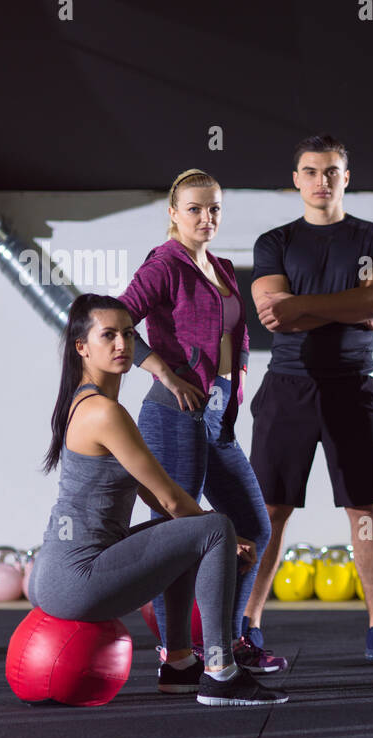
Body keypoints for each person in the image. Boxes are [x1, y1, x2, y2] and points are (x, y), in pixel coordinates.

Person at [26, 294, 287, 707]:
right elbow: (168, 494)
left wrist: (197, 528)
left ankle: (179, 664)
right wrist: (226, 538)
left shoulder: (86, 402)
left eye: (129, 334)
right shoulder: (105, 413)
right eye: (108, 335)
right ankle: (220, 672)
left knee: (185, 529)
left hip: (54, 573)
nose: (122, 345)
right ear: (82, 347)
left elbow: (158, 495)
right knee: (216, 526)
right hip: (76, 579)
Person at [243, 134, 373, 664]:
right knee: (268, 510)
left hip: (355, 385)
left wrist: (303, 308)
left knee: (366, 508)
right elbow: (272, 312)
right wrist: (347, 307)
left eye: (332, 171)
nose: (322, 181)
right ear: (296, 179)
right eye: (311, 171)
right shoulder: (274, 242)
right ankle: (245, 623)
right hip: (288, 385)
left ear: (346, 177)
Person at [119, 169, 284, 676]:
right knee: (177, 534)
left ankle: (230, 641)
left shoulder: (222, 267)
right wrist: (167, 375)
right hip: (174, 416)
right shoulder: (164, 265)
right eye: (194, 208)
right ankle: (176, 656)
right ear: (173, 213)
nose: (206, 217)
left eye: (213, 208)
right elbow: (117, 322)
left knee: (253, 525)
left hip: (218, 417)